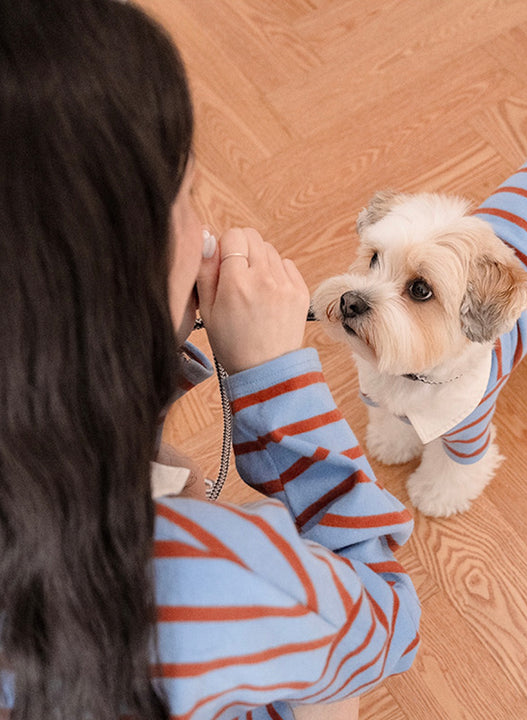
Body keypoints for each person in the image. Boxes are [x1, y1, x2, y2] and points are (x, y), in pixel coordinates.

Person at [0, 2, 420, 720]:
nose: (204, 230)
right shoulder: (205, 576)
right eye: (188, 196)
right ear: (112, 288)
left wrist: (145, 362)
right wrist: (279, 386)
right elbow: (385, 620)